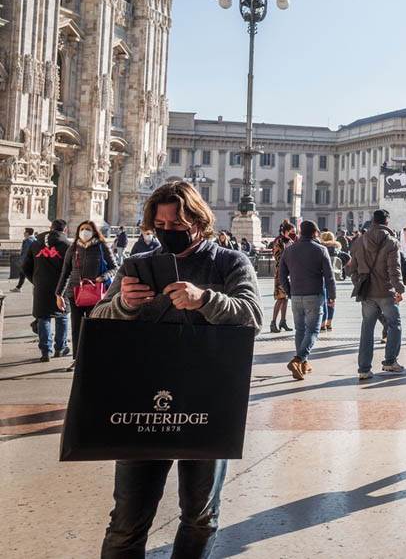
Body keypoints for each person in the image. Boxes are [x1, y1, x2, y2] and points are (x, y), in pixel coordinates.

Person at [92, 180, 262, 558]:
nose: (168, 233)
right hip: (142, 402)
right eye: (161, 227)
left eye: (177, 225)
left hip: (208, 401)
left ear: (199, 221)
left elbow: (252, 317)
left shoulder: (231, 262)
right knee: (127, 521)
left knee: (200, 517)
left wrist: (205, 299)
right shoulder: (138, 264)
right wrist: (123, 304)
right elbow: (98, 319)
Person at [348, 209, 405, 380]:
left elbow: (351, 268)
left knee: (367, 329)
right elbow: (393, 269)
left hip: (367, 292)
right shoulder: (391, 242)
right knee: (394, 324)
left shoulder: (359, 240)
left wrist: (359, 282)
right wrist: (400, 288)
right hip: (386, 291)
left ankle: (364, 369)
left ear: (373, 221)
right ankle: (390, 361)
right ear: (387, 222)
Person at [56, 220, 117, 373]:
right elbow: (65, 272)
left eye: (88, 229)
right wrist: (59, 294)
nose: (84, 231)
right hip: (74, 293)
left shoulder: (101, 247)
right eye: (82, 229)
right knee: (76, 327)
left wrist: (102, 277)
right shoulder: (73, 248)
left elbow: (114, 267)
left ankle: (93, 357)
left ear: (94, 231)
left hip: (95, 293)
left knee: (93, 327)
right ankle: (77, 359)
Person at [279, 220, 336, 380]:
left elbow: (281, 275)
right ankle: (298, 360)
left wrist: (289, 291)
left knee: (300, 330)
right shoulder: (321, 250)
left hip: (296, 295)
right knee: (313, 330)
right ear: (314, 233)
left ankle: (303, 363)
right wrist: (332, 296)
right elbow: (329, 277)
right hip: (314, 295)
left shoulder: (289, 250)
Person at [23, 220, 70, 362]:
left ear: (50, 228)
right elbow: (71, 269)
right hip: (61, 287)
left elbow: (25, 267)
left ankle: (45, 351)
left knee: (43, 317)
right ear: (65, 230)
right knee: (62, 316)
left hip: (41, 286)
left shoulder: (35, 244)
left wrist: (35, 280)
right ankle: (60, 348)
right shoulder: (67, 246)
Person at [269, 221, 295, 333]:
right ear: (285, 231)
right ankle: (273, 322)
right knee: (280, 298)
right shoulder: (278, 241)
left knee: (286, 299)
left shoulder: (291, 241)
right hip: (281, 273)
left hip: (290, 273)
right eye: (291, 231)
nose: (293, 233)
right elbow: (278, 257)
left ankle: (283, 321)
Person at [11, 227, 36, 293]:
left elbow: (26, 252)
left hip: (27, 261)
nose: (24, 233)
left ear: (27, 233)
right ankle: (18, 287)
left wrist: (21, 261)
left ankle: (38, 286)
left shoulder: (28, 240)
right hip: (32, 260)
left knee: (28, 274)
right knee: (22, 274)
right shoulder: (35, 239)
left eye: (25, 232)